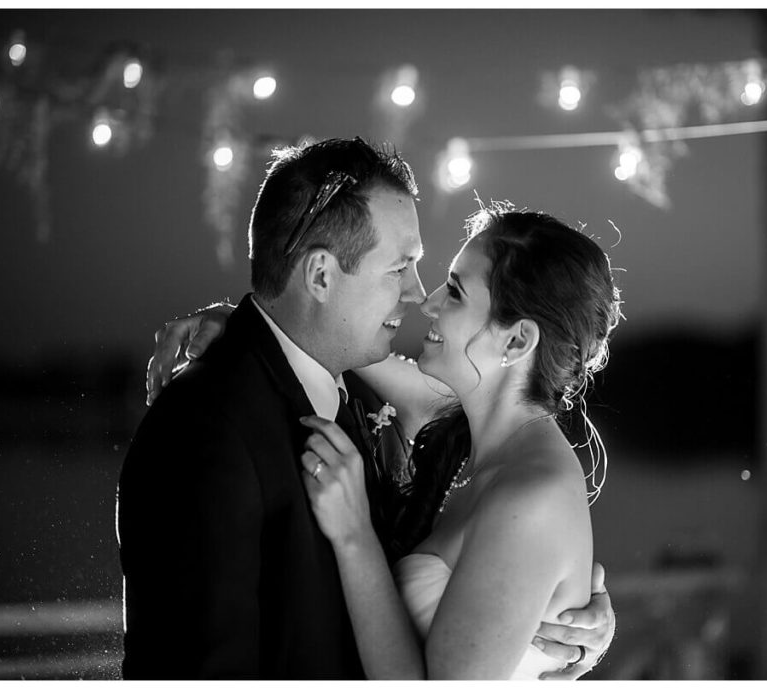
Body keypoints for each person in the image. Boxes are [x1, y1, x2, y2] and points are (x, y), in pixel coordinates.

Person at [120, 137, 614, 679]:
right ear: (323, 276)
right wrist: (240, 320)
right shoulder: (209, 425)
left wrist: (551, 629)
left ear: (517, 343)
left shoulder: (519, 483)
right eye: (400, 267)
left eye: (451, 289)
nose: (420, 297)